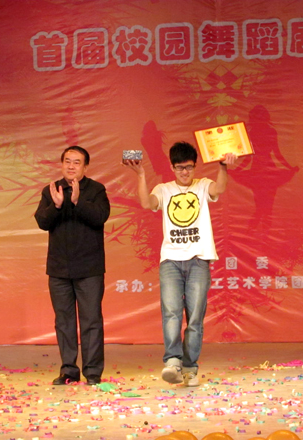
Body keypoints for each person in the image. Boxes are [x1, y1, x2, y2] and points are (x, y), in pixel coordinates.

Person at [124, 141, 237, 386]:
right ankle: (173, 362)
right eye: (179, 168)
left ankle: (190, 368)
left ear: (195, 166)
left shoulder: (202, 185)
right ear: (172, 168)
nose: (184, 172)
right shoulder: (164, 189)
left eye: (188, 167)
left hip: (198, 260)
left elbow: (219, 188)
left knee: (195, 317)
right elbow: (147, 203)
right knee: (171, 313)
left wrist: (223, 166)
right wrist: (141, 175)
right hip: (171, 261)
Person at [35, 146, 110, 386]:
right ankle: (68, 370)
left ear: (85, 167)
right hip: (59, 269)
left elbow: (100, 217)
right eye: (67, 161)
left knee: (91, 321)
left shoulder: (96, 190)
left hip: (89, 268)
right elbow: (42, 222)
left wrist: (78, 202)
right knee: (64, 322)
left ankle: (92, 372)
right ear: (61, 164)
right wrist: (56, 206)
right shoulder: (51, 190)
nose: (71, 166)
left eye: (77, 162)